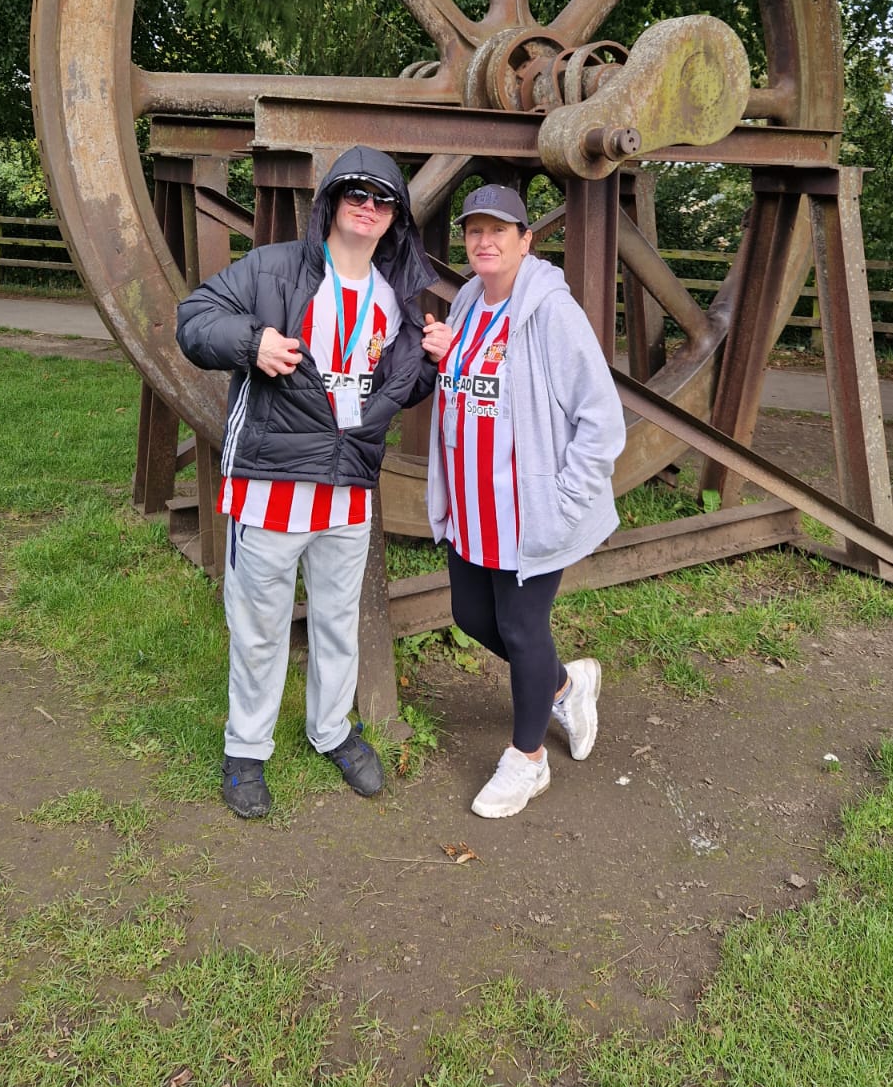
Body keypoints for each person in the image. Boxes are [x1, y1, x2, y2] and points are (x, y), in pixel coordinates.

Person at [177, 145, 452, 819]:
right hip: (270, 487)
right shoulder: (274, 268)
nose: (367, 206)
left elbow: (393, 390)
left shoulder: (394, 300)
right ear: (330, 202)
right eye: (354, 193)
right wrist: (252, 343)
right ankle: (246, 750)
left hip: (349, 492)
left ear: (395, 217)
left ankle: (331, 730)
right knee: (261, 627)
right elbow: (194, 319)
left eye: (381, 198)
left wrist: (433, 364)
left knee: (336, 622)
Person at [424, 182, 626, 819]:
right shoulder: (465, 303)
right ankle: (566, 684)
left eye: (499, 231)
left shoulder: (549, 311)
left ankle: (528, 760)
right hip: (472, 508)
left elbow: (601, 416)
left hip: (529, 512)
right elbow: (482, 389)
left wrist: (566, 502)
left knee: (519, 625)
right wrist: (446, 355)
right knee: (470, 618)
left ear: (525, 240)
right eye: (474, 231)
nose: (484, 242)